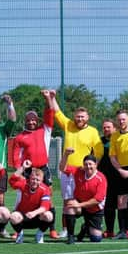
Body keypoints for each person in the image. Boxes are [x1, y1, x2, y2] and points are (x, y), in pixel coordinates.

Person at [47, 89, 103, 238]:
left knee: (85, 201)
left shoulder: (93, 131)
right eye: (77, 116)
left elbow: (98, 153)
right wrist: (52, 97)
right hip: (68, 171)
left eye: (82, 117)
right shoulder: (68, 125)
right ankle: (66, 229)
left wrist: (91, 170)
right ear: (74, 117)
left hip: (85, 174)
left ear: (87, 118)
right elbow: (57, 111)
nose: (79, 119)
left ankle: (88, 225)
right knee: (67, 200)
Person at [11, 89, 57, 238]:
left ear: (37, 121)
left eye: (34, 120)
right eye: (29, 120)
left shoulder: (45, 130)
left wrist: (48, 98)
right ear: (25, 121)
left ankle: (51, 228)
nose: (31, 122)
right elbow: (15, 156)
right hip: (28, 170)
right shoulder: (20, 137)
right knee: (21, 197)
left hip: (43, 168)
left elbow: (50, 112)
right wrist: (20, 169)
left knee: (49, 198)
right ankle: (18, 227)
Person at [59, 148, 107, 244]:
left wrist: (79, 205)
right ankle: (71, 236)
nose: (88, 167)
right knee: (70, 205)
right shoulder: (79, 171)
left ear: (96, 165)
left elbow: (97, 200)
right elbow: (62, 168)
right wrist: (66, 155)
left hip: (95, 209)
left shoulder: (101, 178)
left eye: (90, 164)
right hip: (79, 203)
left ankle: (86, 227)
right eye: (85, 164)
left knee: (96, 239)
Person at [9, 160, 53, 244]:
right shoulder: (24, 184)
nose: (35, 182)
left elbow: (45, 207)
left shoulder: (45, 189)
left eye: (37, 180)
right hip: (23, 217)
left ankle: (40, 234)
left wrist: (34, 213)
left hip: (36, 218)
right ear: (29, 178)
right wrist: (23, 168)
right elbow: (11, 181)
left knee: (48, 215)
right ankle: (20, 233)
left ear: (42, 180)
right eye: (33, 179)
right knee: (13, 216)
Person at [109, 110, 128, 239]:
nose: (121, 122)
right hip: (121, 169)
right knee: (122, 201)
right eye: (119, 120)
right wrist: (120, 170)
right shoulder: (114, 136)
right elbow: (113, 157)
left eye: (123, 119)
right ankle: (123, 230)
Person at [98, 119, 119, 238]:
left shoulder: (119, 139)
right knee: (107, 205)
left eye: (108, 127)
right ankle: (109, 230)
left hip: (118, 177)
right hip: (103, 178)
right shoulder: (99, 141)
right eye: (104, 127)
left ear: (114, 128)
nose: (106, 129)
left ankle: (126, 229)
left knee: (123, 205)